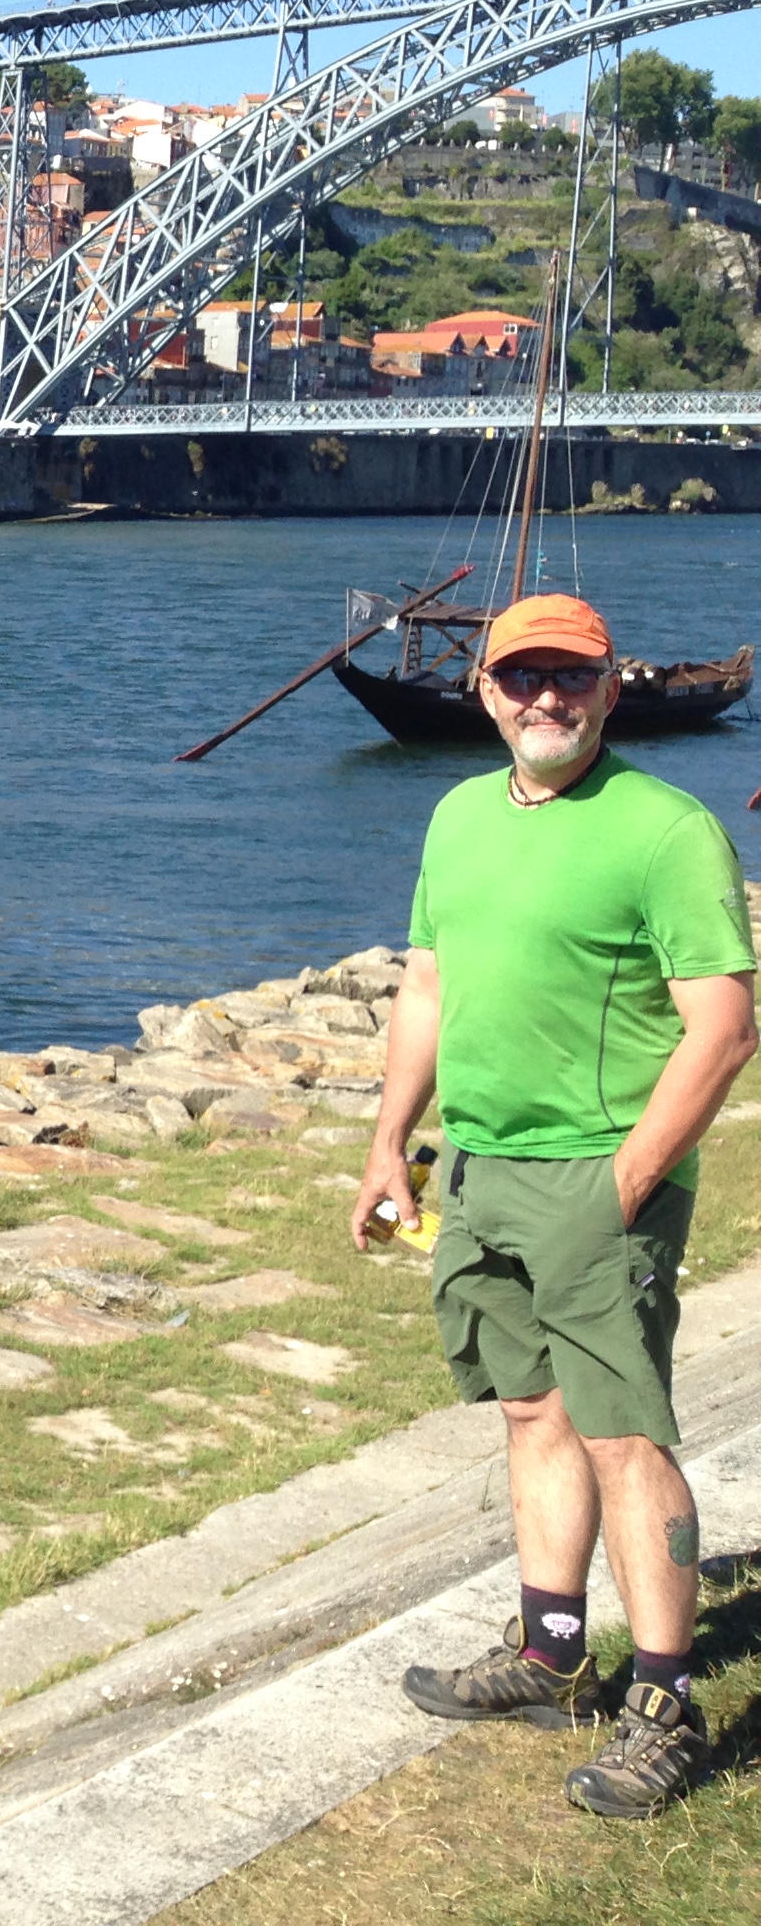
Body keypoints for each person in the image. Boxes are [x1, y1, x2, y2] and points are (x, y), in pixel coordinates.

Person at [356, 591, 755, 1816]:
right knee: (531, 1410)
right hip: (479, 1170)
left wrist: (625, 1183)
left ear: (610, 689)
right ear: (486, 692)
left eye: (571, 677)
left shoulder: (665, 830)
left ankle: (666, 1705)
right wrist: (390, 1144)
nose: (546, 698)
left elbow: (724, 1028)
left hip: (600, 1176)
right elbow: (429, 985)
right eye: (521, 677)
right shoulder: (459, 816)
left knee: (623, 1433)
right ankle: (552, 1653)